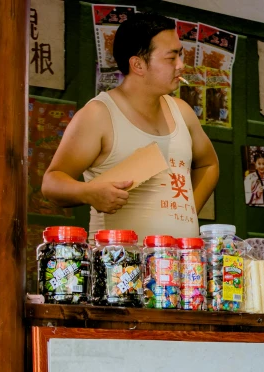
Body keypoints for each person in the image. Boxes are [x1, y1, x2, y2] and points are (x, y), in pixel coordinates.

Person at [41, 12, 219, 240]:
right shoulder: (99, 114)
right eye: (171, 58)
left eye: (180, 55)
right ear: (138, 64)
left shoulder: (182, 112)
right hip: (119, 268)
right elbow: (52, 182)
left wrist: (188, 212)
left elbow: (209, 164)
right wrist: (88, 193)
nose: (181, 65)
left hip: (177, 268)